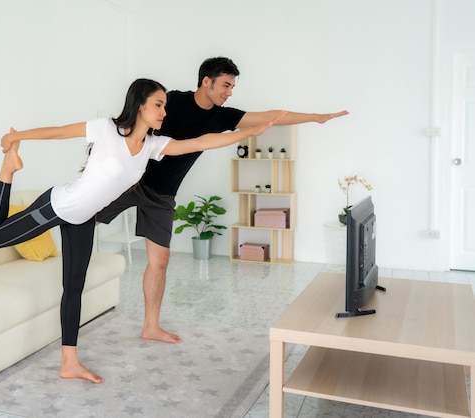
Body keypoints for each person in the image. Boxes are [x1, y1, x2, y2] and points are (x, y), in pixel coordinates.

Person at [0, 78, 285, 384]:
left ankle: (69, 362)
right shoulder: (106, 129)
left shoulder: (152, 146)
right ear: (139, 105)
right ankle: (7, 171)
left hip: (83, 219)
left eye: (165, 105)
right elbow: (59, 132)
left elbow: (200, 142)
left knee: (73, 288)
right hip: (59, 205)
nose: (163, 111)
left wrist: (248, 132)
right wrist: (16, 137)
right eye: (158, 104)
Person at [96, 57, 350, 344]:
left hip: (162, 194)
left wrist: (315, 117)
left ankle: (150, 326)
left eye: (232, 86)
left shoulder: (223, 116)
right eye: (226, 85)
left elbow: (271, 115)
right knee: (83, 216)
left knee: (160, 261)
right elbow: (133, 117)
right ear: (207, 81)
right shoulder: (172, 102)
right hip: (129, 181)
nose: (229, 92)